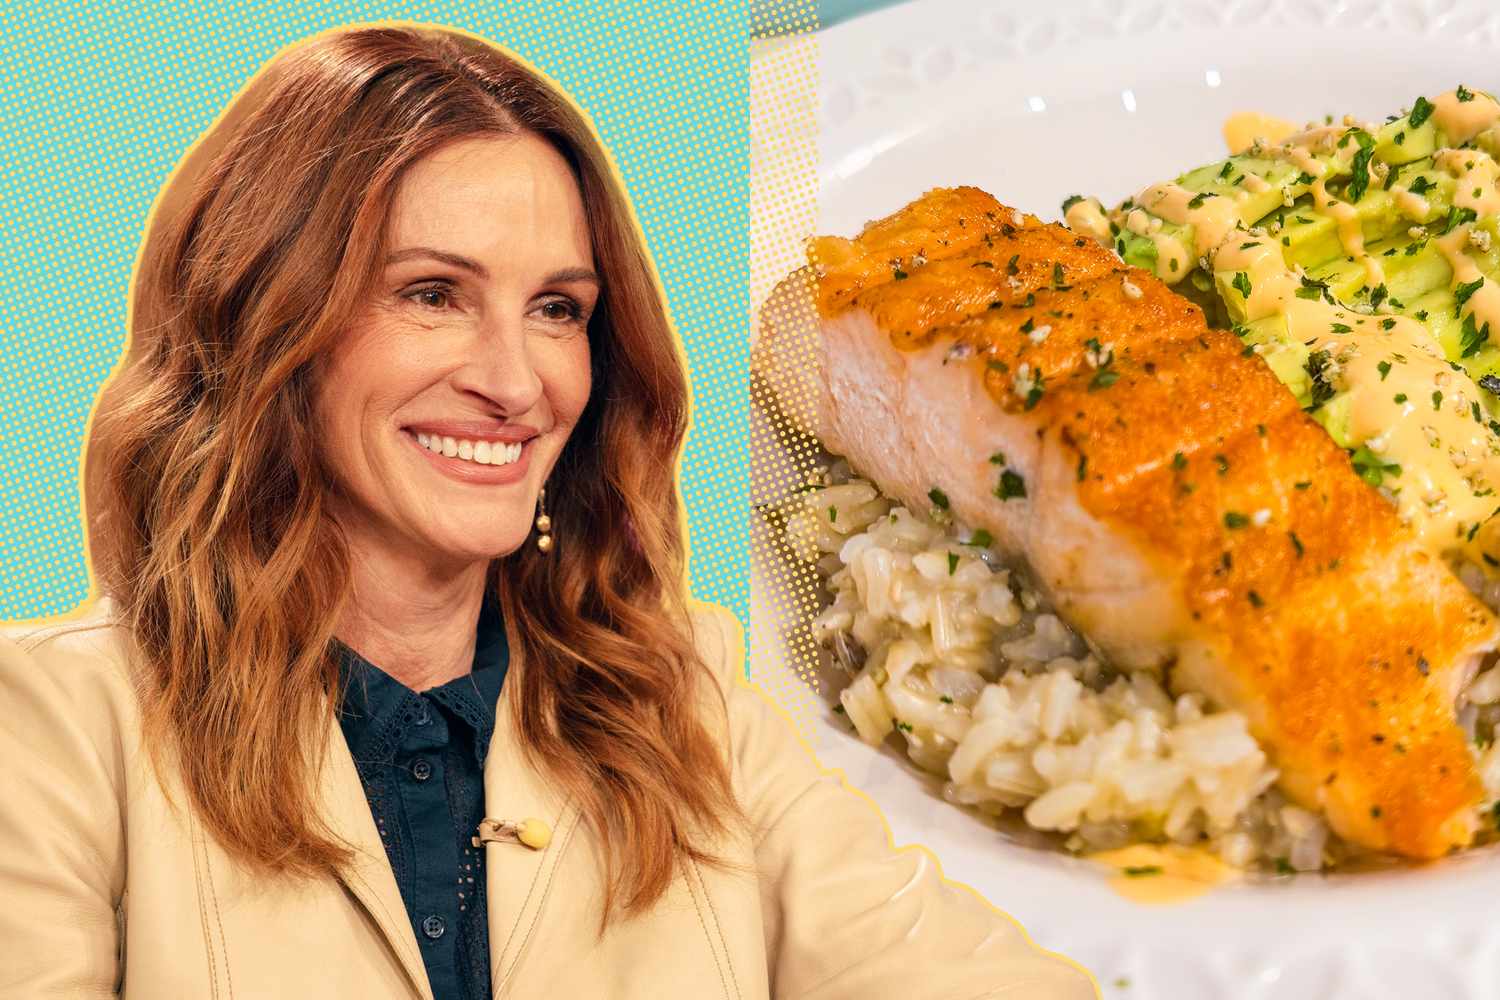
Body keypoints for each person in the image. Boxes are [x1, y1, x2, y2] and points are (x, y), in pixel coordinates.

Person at [0, 23, 1096, 1000]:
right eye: (431, 293)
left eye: (558, 309)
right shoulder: (51, 728)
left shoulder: (686, 705)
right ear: (261, 315)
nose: (517, 382)